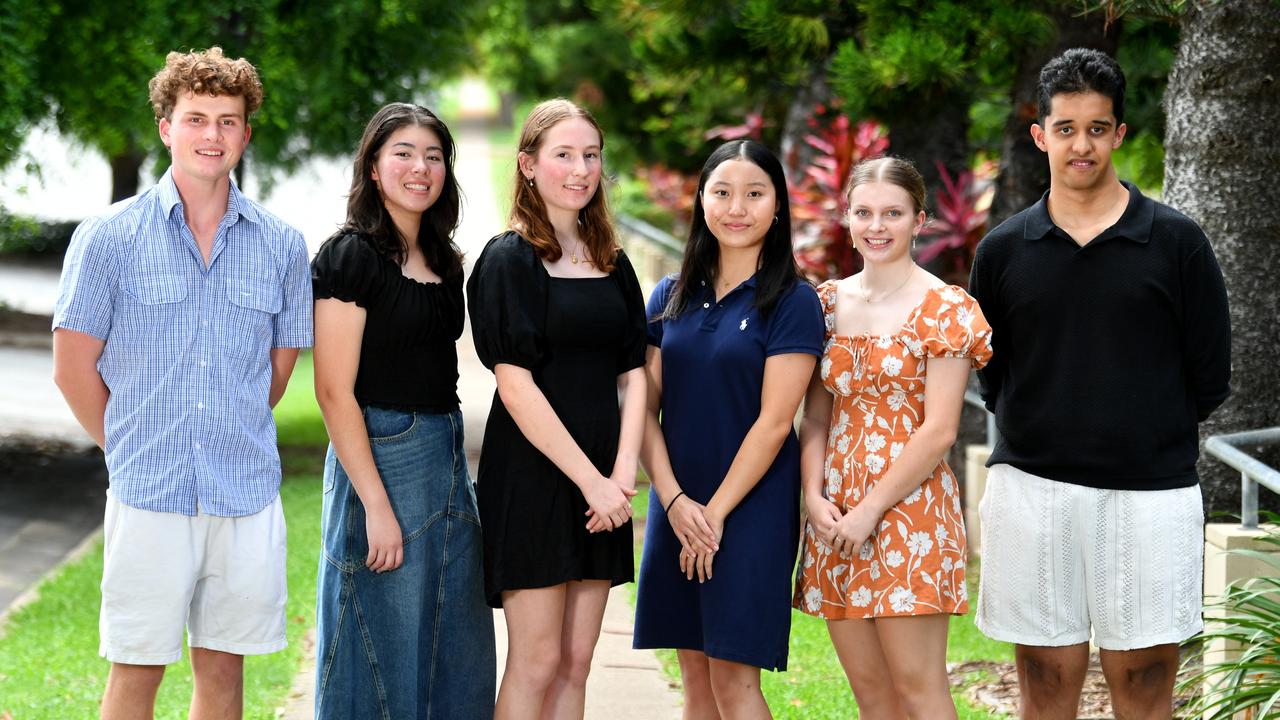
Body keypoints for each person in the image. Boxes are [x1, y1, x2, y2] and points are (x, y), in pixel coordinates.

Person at [969, 48, 1231, 720]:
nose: (1080, 144)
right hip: (1032, 491)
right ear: (1040, 134)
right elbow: (994, 374)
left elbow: (1211, 375)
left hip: (1151, 496)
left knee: (1145, 691)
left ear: (1118, 133)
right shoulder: (1002, 250)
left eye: (1096, 127)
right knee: (1045, 692)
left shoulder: (1178, 243)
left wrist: (1136, 431)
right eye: (1065, 128)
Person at [51, 47, 312, 719]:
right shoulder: (108, 237)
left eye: (229, 121)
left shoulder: (282, 245)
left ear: (246, 134)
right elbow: (72, 367)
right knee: (135, 673)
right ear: (166, 127)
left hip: (244, 495)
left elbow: (275, 372)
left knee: (223, 676)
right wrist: (131, 445)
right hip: (149, 495)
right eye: (196, 118)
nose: (212, 135)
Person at [310, 103, 494, 719]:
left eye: (434, 156)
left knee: (454, 648)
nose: (421, 168)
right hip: (379, 457)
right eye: (404, 154)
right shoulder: (350, 256)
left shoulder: (445, 261)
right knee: (376, 649)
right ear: (374, 165)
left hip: (443, 459)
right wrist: (376, 507)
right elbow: (334, 393)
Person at [791, 156, 993, 719]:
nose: (877, 226)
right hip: (836, 517)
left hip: (910, 514)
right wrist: (814, 496)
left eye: (892, 214)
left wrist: (871, 510)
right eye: (864, 212)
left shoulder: (944, 308)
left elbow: (940, 431)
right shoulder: (825, 305)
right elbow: (816, 418)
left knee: (918, 690)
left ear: (919, 220)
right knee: (873, 697)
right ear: (847, 218)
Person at [466, 98, 648, 720]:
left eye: (590, 155)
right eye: (563, 155)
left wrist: (622, 474)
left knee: (576, 662)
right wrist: (591, 482)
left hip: (604, 480)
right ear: (527, 164)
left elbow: (636, 374)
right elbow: (516, 387)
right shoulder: (507, 260)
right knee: (537, 661)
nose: (580, 169)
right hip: (536, 477)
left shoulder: (614, 262)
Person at [633, 139, 824, 718]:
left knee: (735, 684)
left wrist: (712, 514)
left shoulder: (793, 301)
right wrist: (674, 503)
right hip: (679, 504)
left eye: (754, 194)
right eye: (722, 192)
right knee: (695, 678)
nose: (736, 207)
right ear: (701, 200)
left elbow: (774, 423)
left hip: (748, 511)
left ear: (777, 206)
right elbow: (641, 406)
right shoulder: (670, 296)